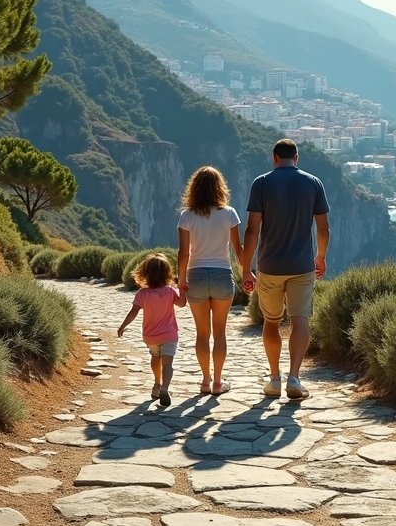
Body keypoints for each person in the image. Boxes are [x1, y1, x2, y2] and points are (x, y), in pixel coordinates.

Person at [241, 139, 330, 400]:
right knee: (299, 320)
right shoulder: (314, 183)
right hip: (302, 266)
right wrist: (321, 257)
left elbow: (252, 229)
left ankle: (274, 379)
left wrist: (247, 269)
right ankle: (295, 378)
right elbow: (323, 227)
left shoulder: (261, 183)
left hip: (269, 266)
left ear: (274, 158)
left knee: (271, 321)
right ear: (297, 157)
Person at [176, 166, 243, 395]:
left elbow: (183, 253)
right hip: (222, 274)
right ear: (219, 187)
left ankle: (205, 381)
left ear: (194, 189)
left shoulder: (186, 216)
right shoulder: (229, 213)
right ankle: (217, 383)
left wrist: (181, 282)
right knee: (220, 332)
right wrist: (247, 274)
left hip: (195, 275)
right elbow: (237, 249)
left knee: (202, 334)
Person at [117, 254, 186, 407]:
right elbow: (182, 304)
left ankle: (156, 384)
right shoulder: (170, 291)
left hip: (151, 336)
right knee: (167, 363)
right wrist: (182, 290)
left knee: (155, 357)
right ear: (167, 273)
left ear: (145, 273)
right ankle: (165, 388)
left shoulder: (142, 294)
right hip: (169, 334)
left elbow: (133, 312)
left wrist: (123, 326)